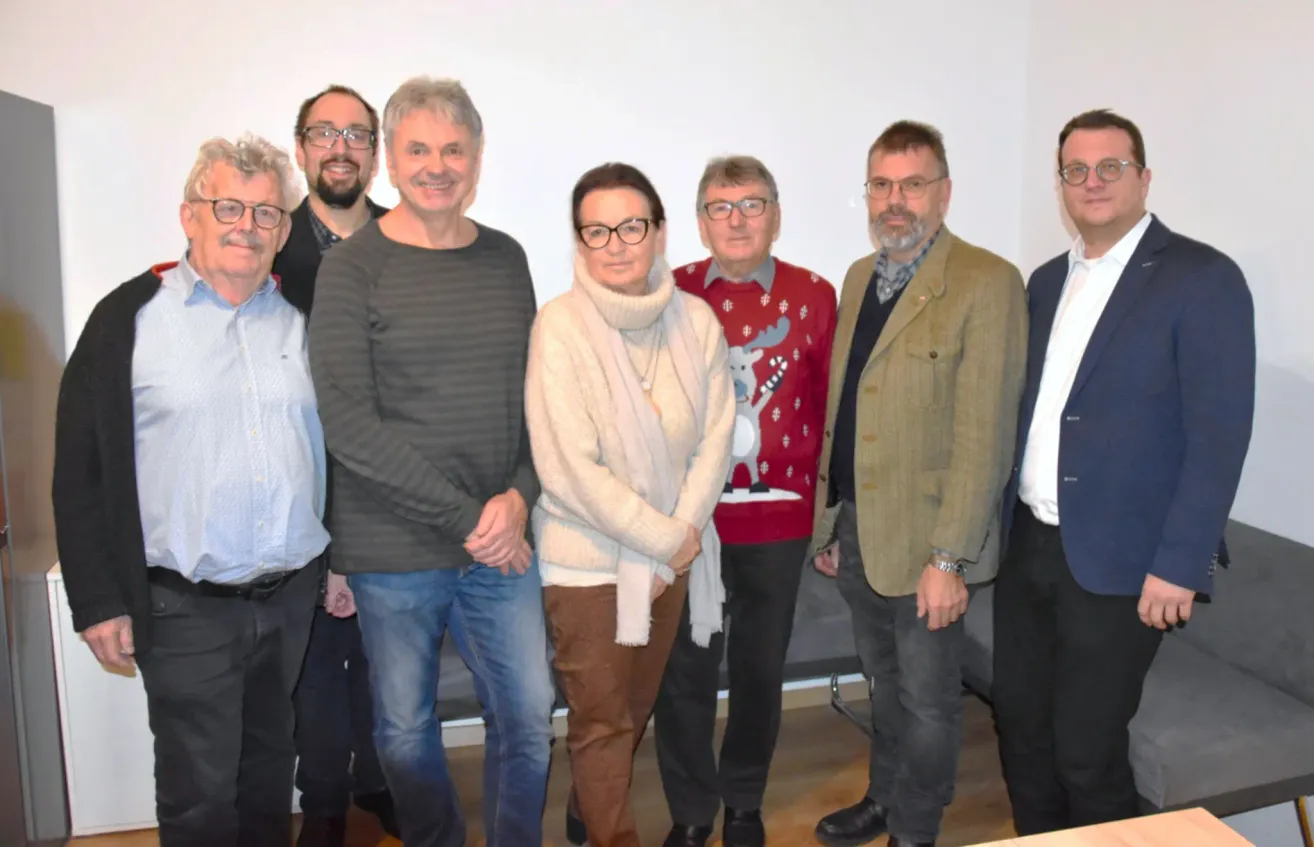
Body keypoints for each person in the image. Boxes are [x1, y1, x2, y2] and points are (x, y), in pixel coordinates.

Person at [52, 134, 327, 847]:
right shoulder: (128, 321)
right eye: (227, 205)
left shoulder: (308, 319)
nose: (246, 225)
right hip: (184, 608)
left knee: (270, 776)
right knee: (199, 798)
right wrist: (98, 599)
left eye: (265, 212)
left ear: (284, 229)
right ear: (189, 216)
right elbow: (77, 470)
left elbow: (340, 445)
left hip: (293, 595)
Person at [992, 108, 1256, 836]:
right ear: (1061, 186)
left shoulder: (1202, 277)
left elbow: (1219, 435)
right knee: (1022, 734)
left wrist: (1181, 561)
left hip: (1126, 563)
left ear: (1143, 177)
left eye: (1111, 167)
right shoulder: (1046, 281)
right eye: (1076, 170)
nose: (1093, 182)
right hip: (1031, 547)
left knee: (1086, 752)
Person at [306, 76, 553, 847]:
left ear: (476, 157)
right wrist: (471, 517)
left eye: (453, 148)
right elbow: (347, 423)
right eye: (418, 148)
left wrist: (518, 498)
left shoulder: (507, 259)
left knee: (529, 716)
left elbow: (536, 400)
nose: (437, 164)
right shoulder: (354, 266)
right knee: (406, 730)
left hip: (501, 541)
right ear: (391, 161)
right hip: (394, 550)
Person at [810, 120, 1028, 847]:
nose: (893, 200)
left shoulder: (986, 281)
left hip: (933, 541)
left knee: (931, 700)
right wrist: (831, 518)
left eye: (911, 183)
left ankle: (915, 828)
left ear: (944, 191)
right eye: (881, 184)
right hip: (861, 532)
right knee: (885, 685)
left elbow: (985, 432)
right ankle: (884, 795)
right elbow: (847, 404)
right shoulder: (858, 276)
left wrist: (950, 558)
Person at [525, 162, 734, 847]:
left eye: (631, 225)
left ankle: (589, 813)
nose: (616, 243)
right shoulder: (559, 326)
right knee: (603, 724)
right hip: (588, 565)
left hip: (673, 556)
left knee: (634, 710)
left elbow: (716, 436)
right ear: (580, 242)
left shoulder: (696, 321)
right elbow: (567, 469)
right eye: (597, 230)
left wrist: (679, 533)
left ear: (660, 231)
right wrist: (664, 535)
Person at [653, 155, 837, 847]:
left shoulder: (816, 295)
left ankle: (745, 799)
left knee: (760, 670)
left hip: (778, 526)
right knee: (687, 672)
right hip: (691, 527)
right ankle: (692, 809)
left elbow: (826, 411)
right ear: (700, 221)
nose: (736, 220)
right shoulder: (667, 295)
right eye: (721, 207)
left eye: (751, 204)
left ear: (775, 213)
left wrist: (828, 519)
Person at [272, 83, 397, 846]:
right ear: (301, 148)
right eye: (325, 132)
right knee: (316, 661)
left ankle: (379, 779)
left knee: (389, 651)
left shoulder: (410, 237)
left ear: (374, 150)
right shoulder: (268, 246)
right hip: (299, 483)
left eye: (356, 133)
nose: (341, 146)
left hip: (391, 486)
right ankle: (321, 800)